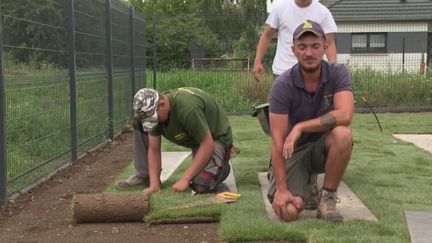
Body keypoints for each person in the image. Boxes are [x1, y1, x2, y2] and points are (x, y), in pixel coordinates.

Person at [267, 20, 354, 223]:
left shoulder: (338, 73)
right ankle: (306, 184)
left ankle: (327, 199)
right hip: (293, 150)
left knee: (343, 134)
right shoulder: (282, 85)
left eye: (315, 46)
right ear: (294, 51)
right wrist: (281, 188)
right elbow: (277, 140)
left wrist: (300, 126)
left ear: (325, 46)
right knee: (288, 211)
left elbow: (346, 115)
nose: (309, 53)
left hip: (323, 147)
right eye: (302, 47)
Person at [116, 87, 233, 194]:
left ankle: (222, 167)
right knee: (138, 122)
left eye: (153, 119)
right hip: (197, 138)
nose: (153, 123)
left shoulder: (188, 108)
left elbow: (207, 144)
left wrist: (185, 179)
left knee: (201, 184)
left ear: (162, 105)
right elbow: (153, 149)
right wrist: (154, 183)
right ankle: (143, 176)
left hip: (215, 138)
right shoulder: (154, 112)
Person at [253, 0, 337, 81]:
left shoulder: (323, 12)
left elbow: (329, 43)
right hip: (282, 72)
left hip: (311, 74)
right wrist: (257, 61)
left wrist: (333, 68)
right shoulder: (280, 8)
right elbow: (266, 36)